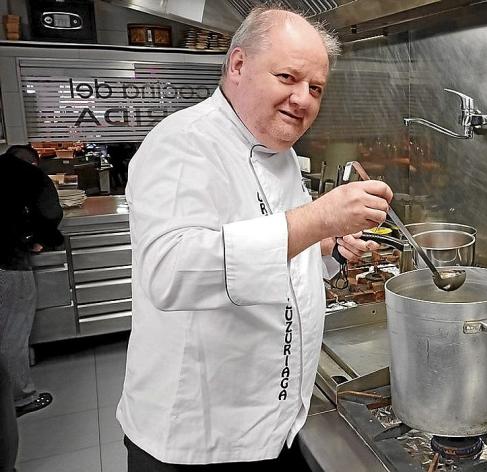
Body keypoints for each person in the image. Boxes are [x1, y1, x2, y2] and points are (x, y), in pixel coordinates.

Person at [116, 6, 393, 470]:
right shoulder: (185, 142)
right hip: (199, 439)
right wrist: (319, 218)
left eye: (316, 89)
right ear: (238, 65)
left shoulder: (278, 152)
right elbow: (170, 272)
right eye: (288, 77)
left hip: (273, 426)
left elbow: (272, 243)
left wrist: (328, 246)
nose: (303, 99)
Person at [0, 144, 61, 419]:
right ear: (33, 163)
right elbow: (49, 213)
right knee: (13, 332)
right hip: (8, 262)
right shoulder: (32, 176)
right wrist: (40, 239)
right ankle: (21, 397)